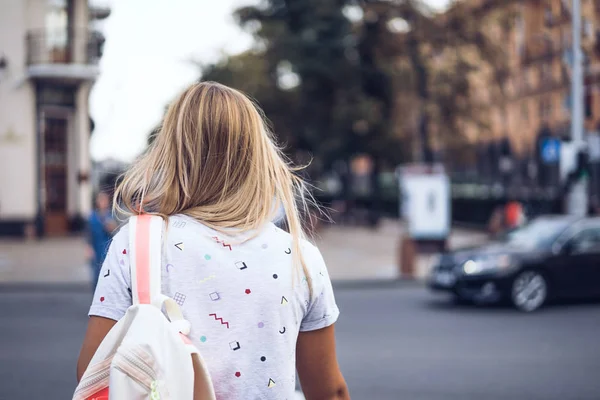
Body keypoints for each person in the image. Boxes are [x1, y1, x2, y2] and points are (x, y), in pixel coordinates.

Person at [76, 82, 349, 400]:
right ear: (257, 156)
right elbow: (329, 390)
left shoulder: (137, 242)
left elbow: (91, 371)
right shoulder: (299, 256)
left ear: (171, 152)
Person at [87, 191, 117, 290]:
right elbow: (88, 233)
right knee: (96, 274)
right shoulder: (92, 216)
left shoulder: (110, 215)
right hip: (96, 247)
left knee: (107, 273)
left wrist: (110, 226)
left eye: (104, 200)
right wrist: (88, 248)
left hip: (107, 248)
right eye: (101, 200)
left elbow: (115, 231)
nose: (103, 202)